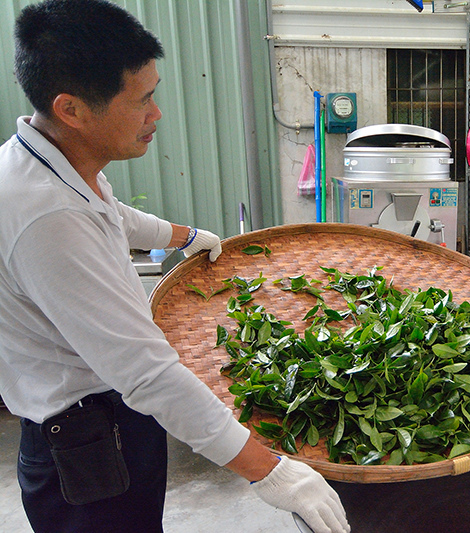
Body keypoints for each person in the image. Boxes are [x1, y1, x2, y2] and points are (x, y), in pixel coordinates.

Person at [0, 1, 349, 532]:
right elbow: (148, 373)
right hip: (84, 447)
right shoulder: (45, 218)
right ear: (72, 109)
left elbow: (112, 212)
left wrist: (182, 236)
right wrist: (270, 472)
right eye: (141, 100)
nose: (156, 113)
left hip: (113, 418)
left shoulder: (58, 160)